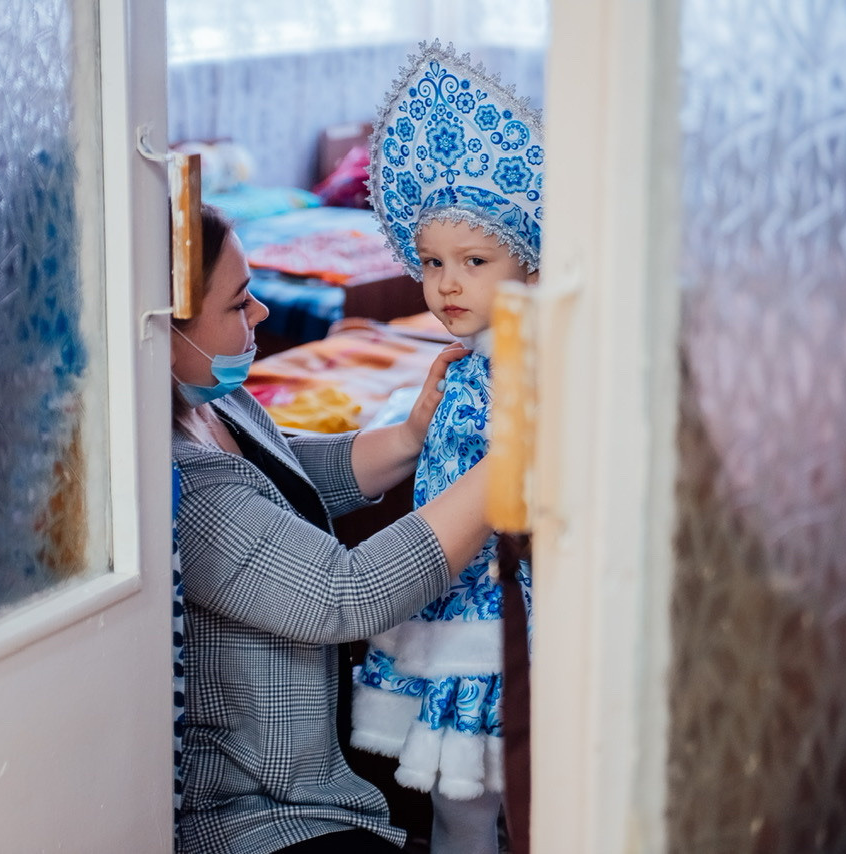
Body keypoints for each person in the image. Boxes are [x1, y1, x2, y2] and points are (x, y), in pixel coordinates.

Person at [172, 202, 496, 854]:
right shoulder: (182, 486)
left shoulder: (217, 400)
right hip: (256, 813)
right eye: (239, 304)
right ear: (164, 331)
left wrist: (410, 436)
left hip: (318, 775)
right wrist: (512, 461)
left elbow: (288, 470)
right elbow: (344, 594)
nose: (261, 312)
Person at [349, 42, 543, 854]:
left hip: (511, 612)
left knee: (517, 792)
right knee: (457, 804)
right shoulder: (462, 368)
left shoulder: (540, 369)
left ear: (527, 264)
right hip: (448, 597)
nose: (445, 285)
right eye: (431, 264)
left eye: (473, 261)